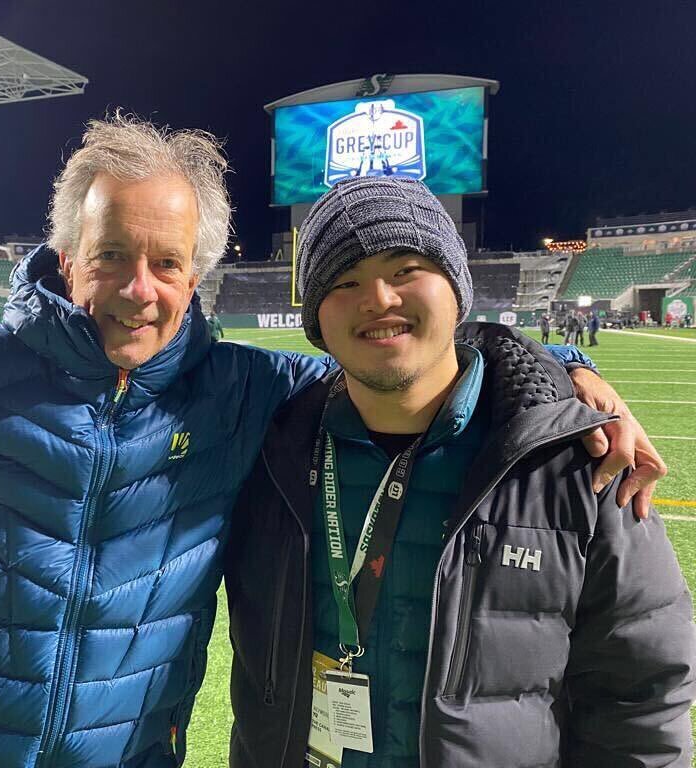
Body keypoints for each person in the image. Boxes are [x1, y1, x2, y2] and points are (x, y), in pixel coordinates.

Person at [0, 116, 658, 768]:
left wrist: (556, 365)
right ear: (66, 254)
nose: (138, 289)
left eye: (167, 264)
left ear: (197, 275)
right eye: (111, 256)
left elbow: (405, 360)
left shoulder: (244, 391)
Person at [224, 177, 693, 767]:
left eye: (405, 270)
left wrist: (567, 370)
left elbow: (640, 698)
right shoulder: (273, 450)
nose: (378, 299)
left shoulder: (582, 458)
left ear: (457, 290)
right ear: (316, 318)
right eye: (343, 282)